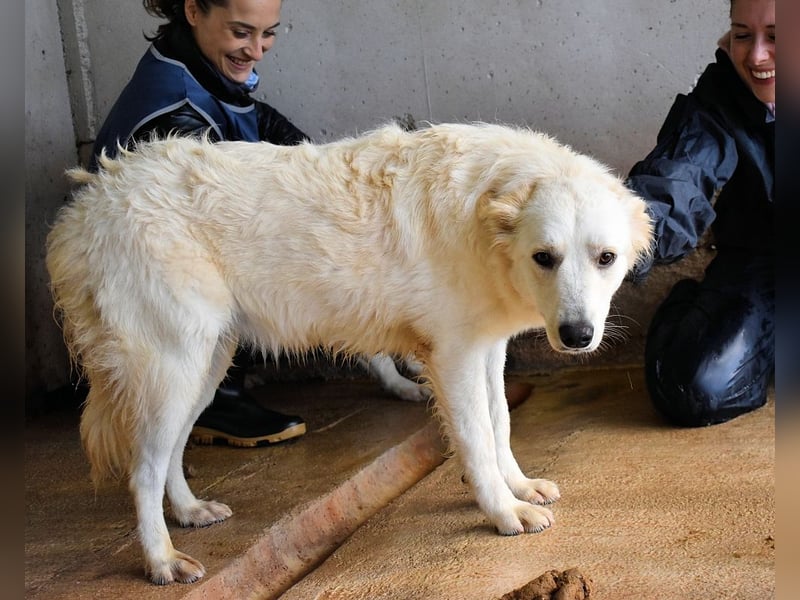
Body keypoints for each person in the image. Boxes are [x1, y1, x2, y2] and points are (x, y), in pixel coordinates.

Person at [89, 0, 308, 445]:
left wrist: (303, 151)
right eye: (242, 33)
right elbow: (219, 216)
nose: (257, 51)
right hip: (134, 272)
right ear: (194, 11)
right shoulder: (173, 106)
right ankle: (218, 399)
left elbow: (249, 114)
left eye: (268, 34)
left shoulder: (195, 60)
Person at [626, 0, 774, 427]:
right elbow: (677, 177)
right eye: (743, 35)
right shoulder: (717, 101)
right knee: (693, 388)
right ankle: (690, 309)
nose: (757, 56)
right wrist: (628, 234)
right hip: (757, 269)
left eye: (777, 38)